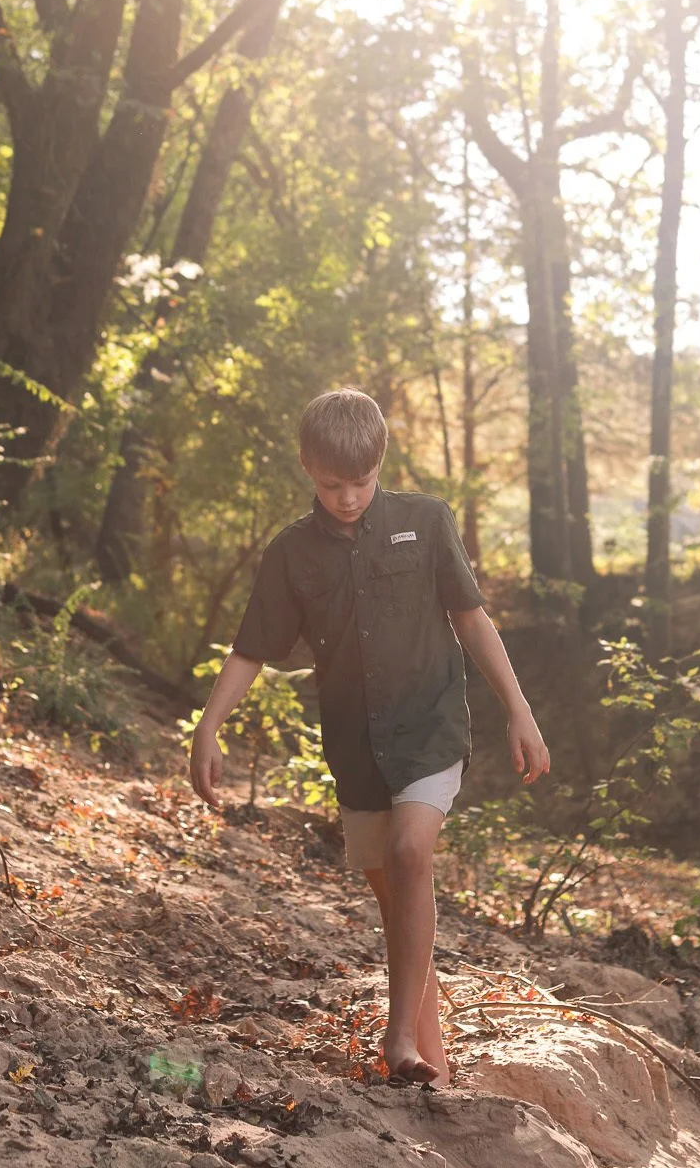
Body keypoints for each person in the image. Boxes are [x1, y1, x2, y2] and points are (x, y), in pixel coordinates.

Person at [188, 387, 549, 1086]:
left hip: (429, 726)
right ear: (306, 468)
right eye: (331, 484)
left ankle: (395, 1037)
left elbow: (471, 619)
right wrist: (208, 724)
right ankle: (432, 1067)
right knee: (399, 905)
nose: (348, 497)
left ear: (380, 465)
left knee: (413, 854)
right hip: (356, 748)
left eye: (361, 482)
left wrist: (518, 709)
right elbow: (251, 649)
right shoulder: (291, 554)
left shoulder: (425, 520)